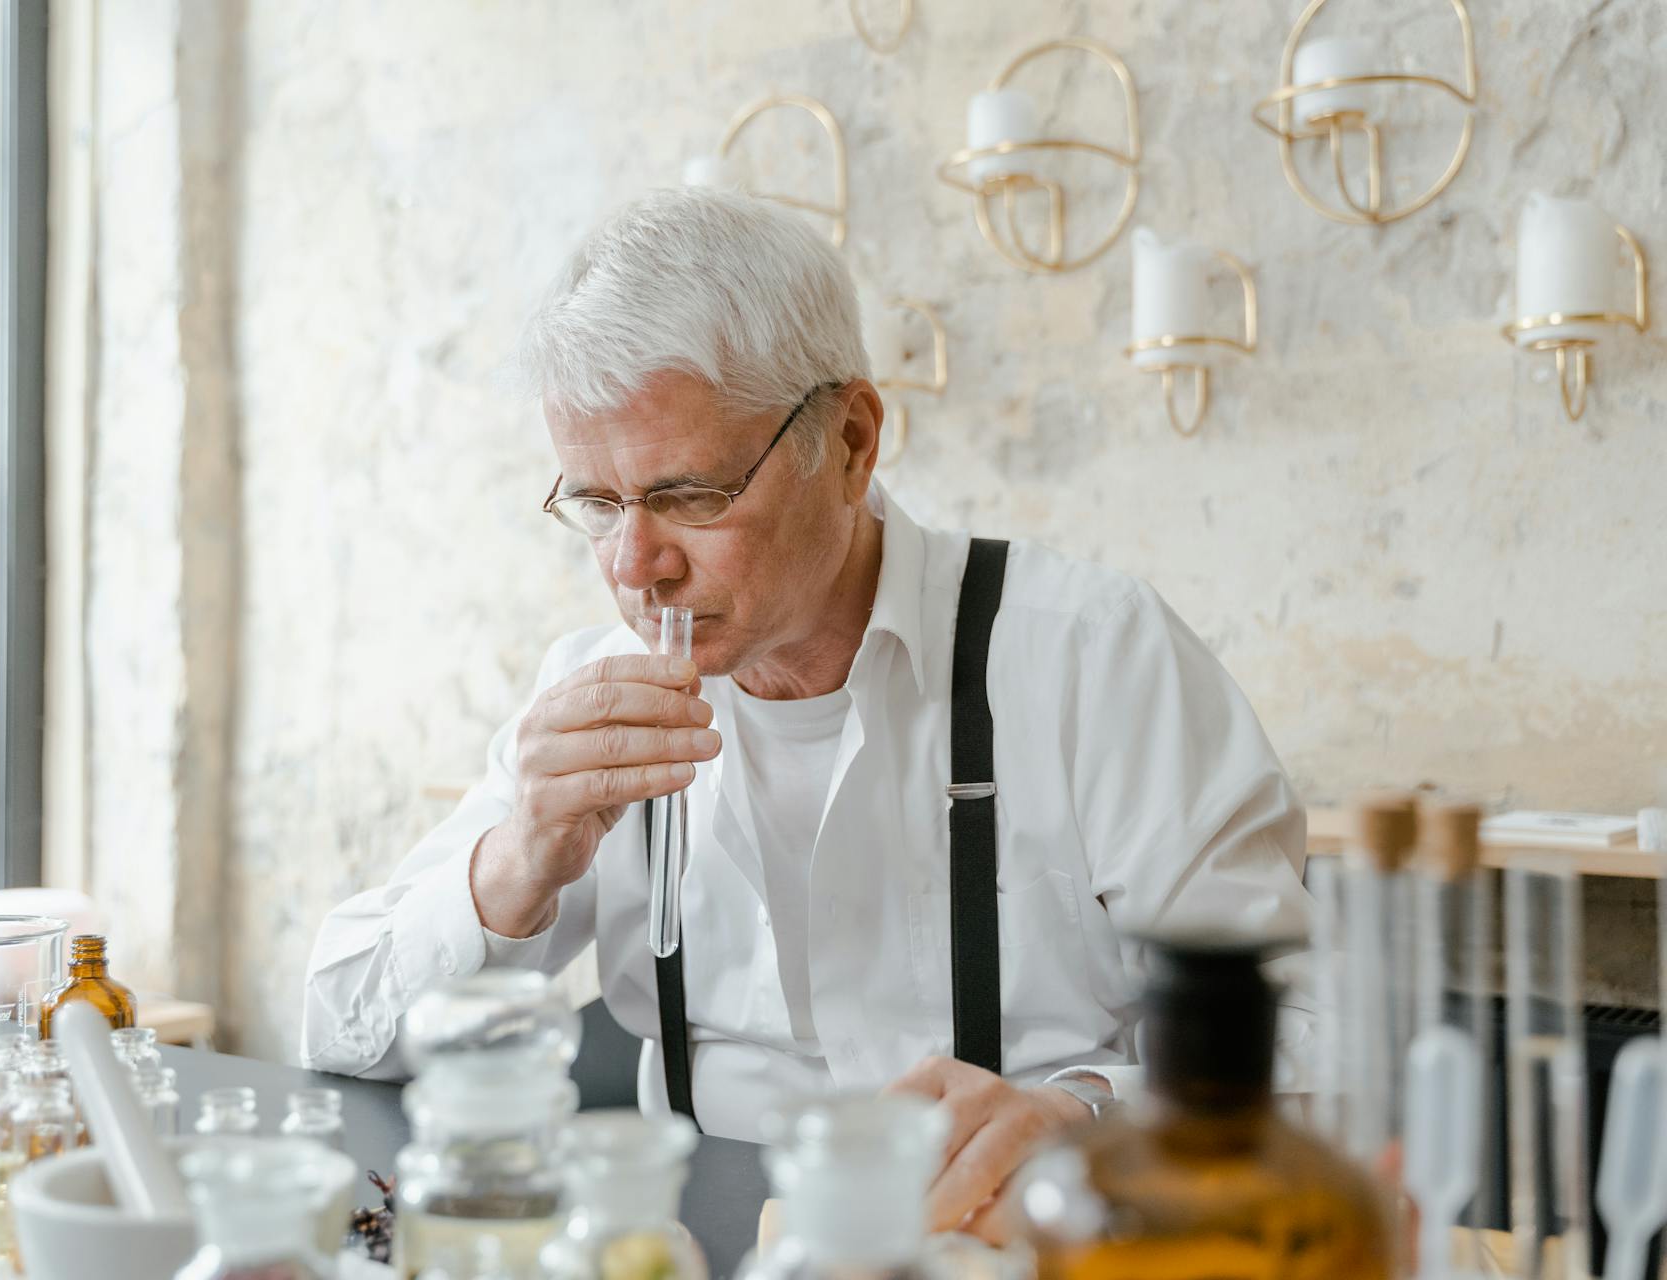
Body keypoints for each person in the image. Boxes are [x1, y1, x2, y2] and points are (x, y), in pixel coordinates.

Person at [303, 187, 1313, 1241]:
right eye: (597, 505)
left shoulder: (1094, 656)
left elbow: (1314, 1036)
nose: (633, 565)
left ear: (852, 441)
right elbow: (339, 1021)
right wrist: (514, 863)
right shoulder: (594, 690)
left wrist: (1081, 1119)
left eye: (690, 493)